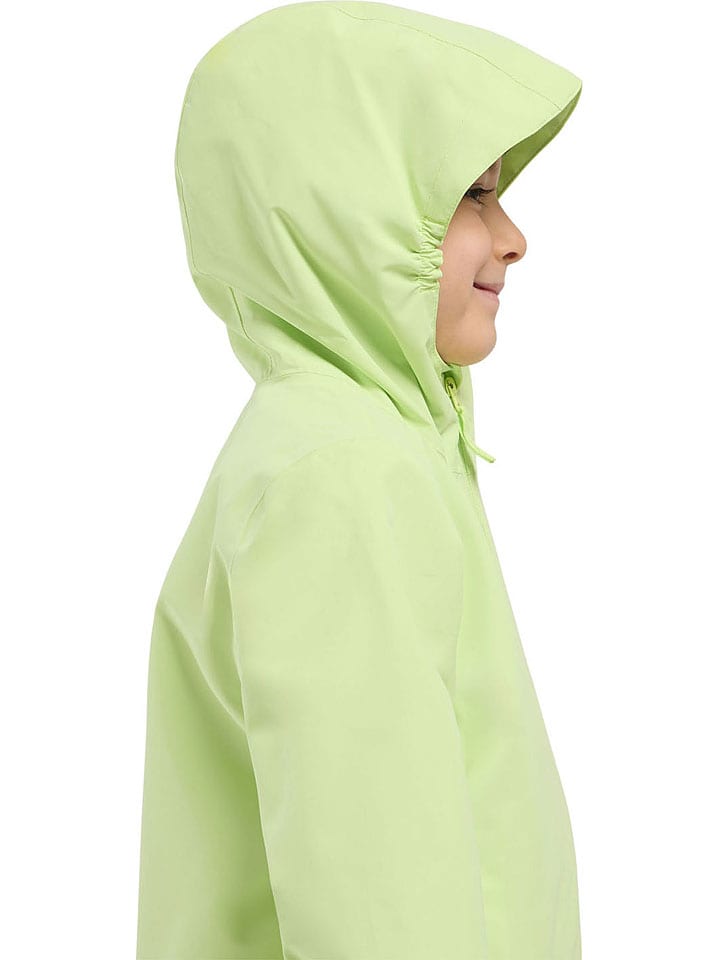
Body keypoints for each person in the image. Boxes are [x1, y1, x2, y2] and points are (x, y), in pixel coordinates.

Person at [135, 3, 584, 959]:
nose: (513, 236)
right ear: (340, 212)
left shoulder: (350, 447)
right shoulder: (340, 476)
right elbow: (379, 906)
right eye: (471, 195)